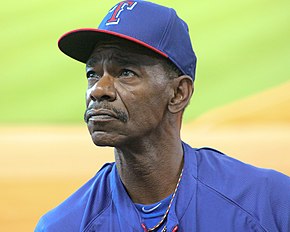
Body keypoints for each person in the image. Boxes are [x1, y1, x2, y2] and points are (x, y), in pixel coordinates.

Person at [35, 1, 290, 231]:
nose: (98, 90)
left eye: (125, 72)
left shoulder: (269, 204)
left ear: (179, 93)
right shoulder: (63, 225)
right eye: (92, 73)